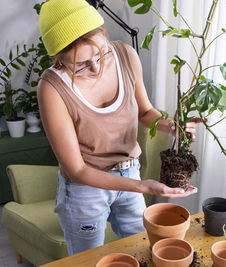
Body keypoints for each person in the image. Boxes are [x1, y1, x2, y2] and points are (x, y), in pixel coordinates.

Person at [37, 0, 199, 255]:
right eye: (80, 65)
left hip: (129, 171)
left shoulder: (125, 55)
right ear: (59, 60)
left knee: (142, 251)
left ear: (104, 35)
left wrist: (170, 126)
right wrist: (144, 187)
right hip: (85, 189)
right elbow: (76, 169)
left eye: (101, 53)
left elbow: (145, 112)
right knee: (88, 260)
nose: (96, 67)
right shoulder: (52, 89)